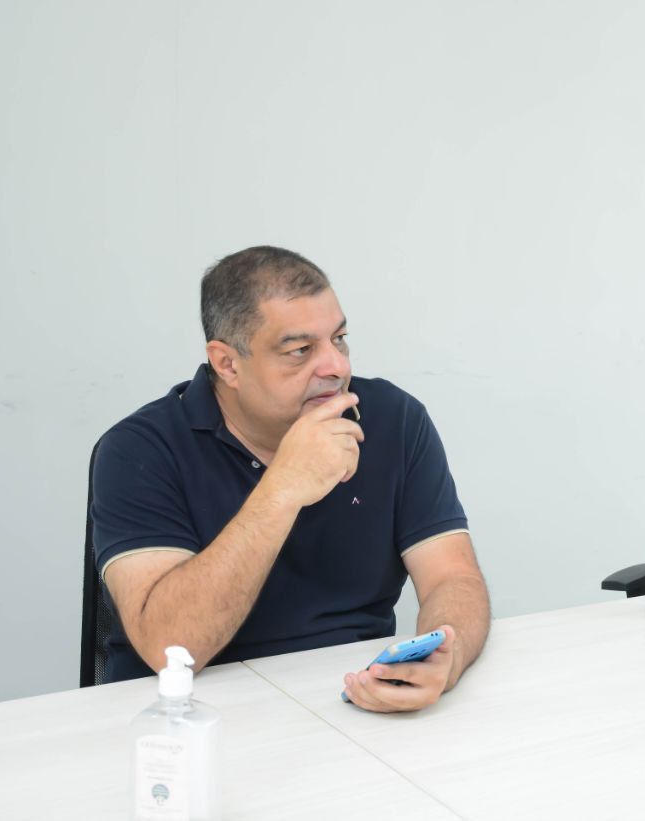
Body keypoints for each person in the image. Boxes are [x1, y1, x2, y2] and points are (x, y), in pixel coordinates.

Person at [91, 246, 489, 713]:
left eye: (339, 339)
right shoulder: (139, 449)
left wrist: (446, 656)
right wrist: (282, 488)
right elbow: (171, 649)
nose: (336, 367)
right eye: (300, 350)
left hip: (349, 698)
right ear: (227, 364)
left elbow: (453, 577)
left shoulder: (394, 420)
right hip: (186, 716)